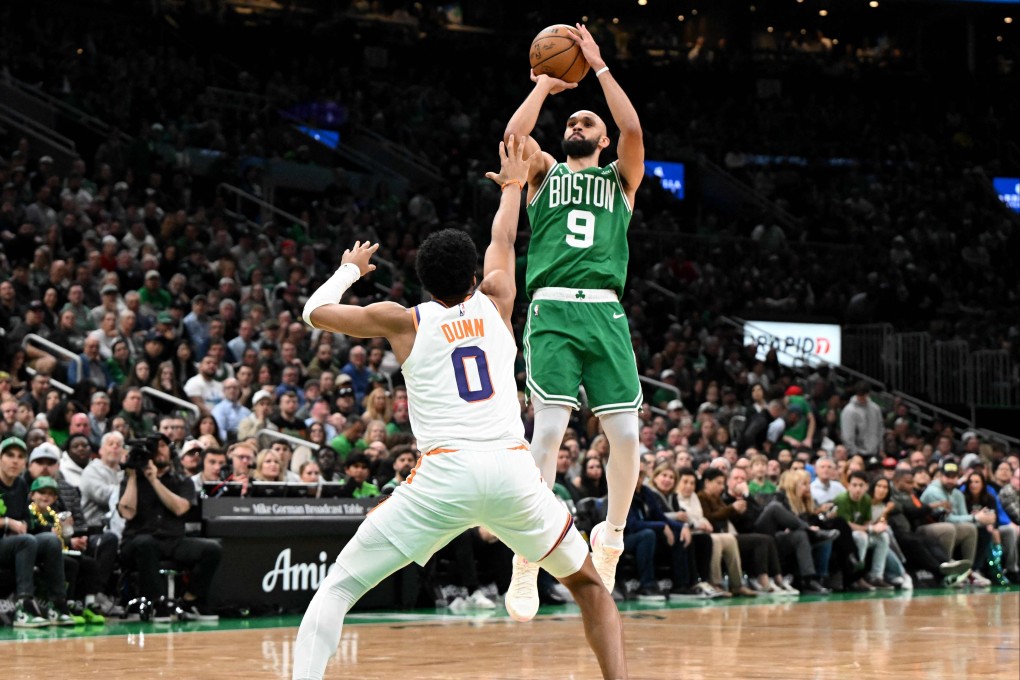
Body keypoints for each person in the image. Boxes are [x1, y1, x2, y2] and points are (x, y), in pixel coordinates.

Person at [292, 138, 626, 680]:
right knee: (589, 586)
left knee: (339, 587)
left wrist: (351, 268)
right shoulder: (498, 301)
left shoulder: (404, 320)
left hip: (444, 473)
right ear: (474, 277)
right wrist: (514, 186)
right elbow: (502, 237)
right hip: (513, 469)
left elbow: (314, 312)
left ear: (424, 281)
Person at [503, 24, 645, 611]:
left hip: (606, 313)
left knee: (629, 439)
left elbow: (634, 127)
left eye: (587, 122)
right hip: (554, 308)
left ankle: (608, 537)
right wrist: (543, 86)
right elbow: (515, 137)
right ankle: (528, 556)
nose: (576, 126)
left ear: (604, 140)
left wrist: (599, 65)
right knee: (548, 436)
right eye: (572, 122)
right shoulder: (543, 173)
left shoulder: (622, 181)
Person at [116, 434, 223, 622]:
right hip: (137, 541)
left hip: (172, 541)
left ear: (171, 451)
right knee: (145, 543)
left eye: (163, 445)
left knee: (212, 549)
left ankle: (189, 600)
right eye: (154, 446)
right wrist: (133, 477)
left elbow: (180, 508)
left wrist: (154, 481)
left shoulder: (182, 481)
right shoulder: (131, 480)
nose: (159, 450)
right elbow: (127, 513)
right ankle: (158, 603)